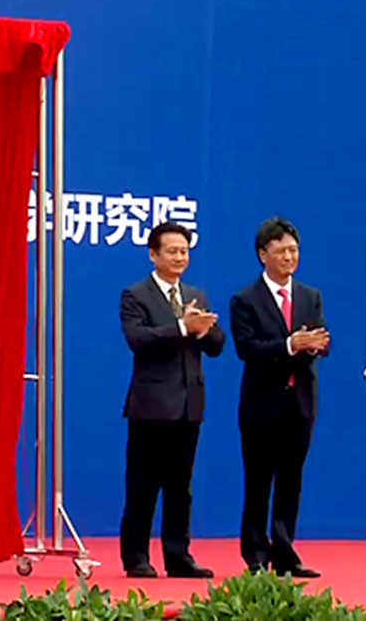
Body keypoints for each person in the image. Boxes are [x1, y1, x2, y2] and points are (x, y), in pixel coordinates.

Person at [119, 221, 225, 578]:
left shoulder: (196, 296)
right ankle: (136, 557)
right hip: (150, 405)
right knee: (143, 485)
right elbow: (138, 340)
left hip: (189, 405)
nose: (180, 257)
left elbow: (217, 346)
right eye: (173, 251)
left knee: (181, 487)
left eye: (184, 251)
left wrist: (203, 329)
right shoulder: (136, 295)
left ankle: (178, 556)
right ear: (154, 254)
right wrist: (182, 327)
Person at [229, 216, 328, 577]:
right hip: (261, 404)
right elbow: (247, 349)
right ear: (263, 254)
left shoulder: (310, 296)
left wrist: (314, 346)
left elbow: (321, 340)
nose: (289, 257)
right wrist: (289, 345)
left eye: (294, 250)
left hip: (299, 403)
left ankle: (285, 553)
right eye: (281, 250)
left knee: (291, 481)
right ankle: (256, 553)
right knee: (258, 481)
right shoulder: (245, 300)